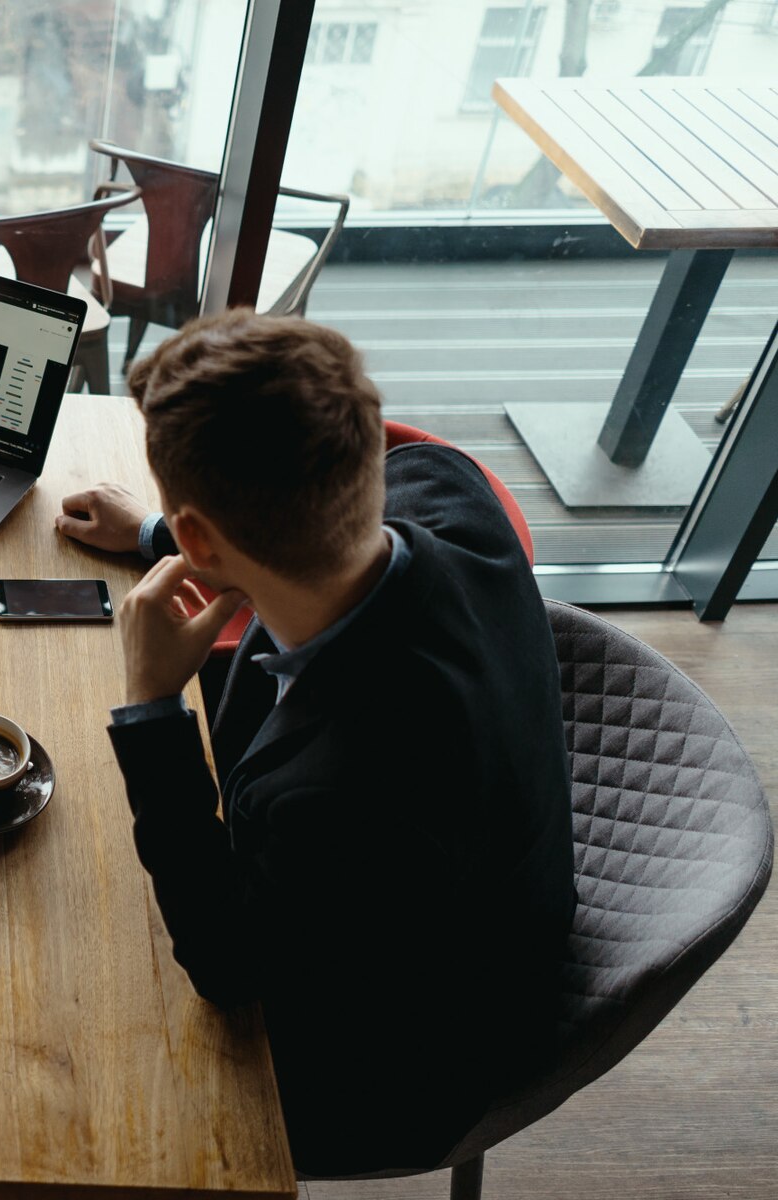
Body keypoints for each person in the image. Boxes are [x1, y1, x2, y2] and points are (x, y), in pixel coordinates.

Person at [58, 311, 574, 1177]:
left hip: (402, 1063)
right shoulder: (451, 488)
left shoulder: (335, 799)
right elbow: (314, 544)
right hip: (469, 869)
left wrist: (152, 707)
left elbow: (224, 968)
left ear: (202, 539)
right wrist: (160, 534)